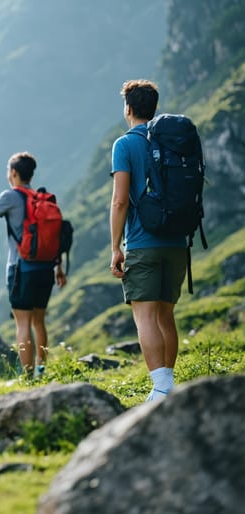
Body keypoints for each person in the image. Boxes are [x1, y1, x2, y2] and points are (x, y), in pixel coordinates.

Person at [110, 79, 185, 402]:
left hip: (142, 242)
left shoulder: (125, 145)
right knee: (166, 315)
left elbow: (120, 200)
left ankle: (161, 388)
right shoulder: (172, 140)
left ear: (128, 108)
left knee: (144, 316)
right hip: (177, 242)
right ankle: (167, 385)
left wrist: (115, 246)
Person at [0, 152, 66, 377]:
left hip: (21, 268)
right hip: (46, 268)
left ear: (14, 173)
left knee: (23, 324)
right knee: (39, 321)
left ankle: (28, 375)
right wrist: (59, 268)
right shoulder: (42, 198)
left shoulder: (11, 196)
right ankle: (42, 367)